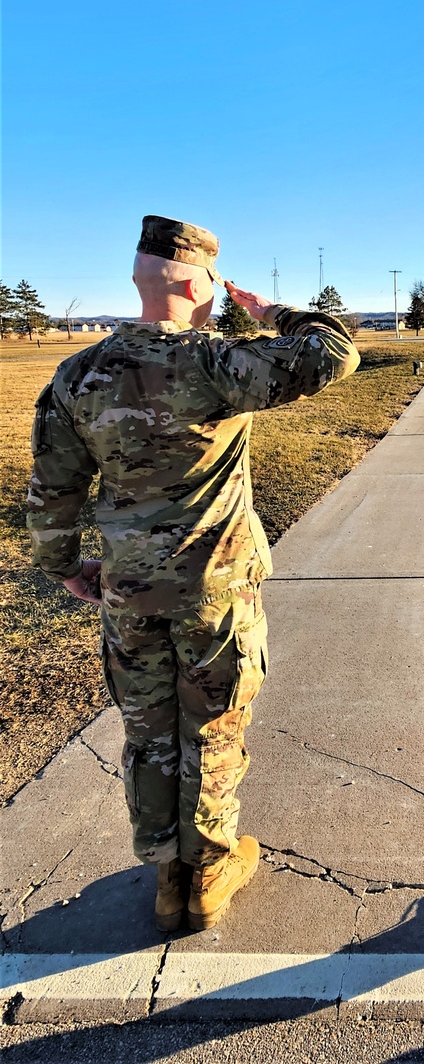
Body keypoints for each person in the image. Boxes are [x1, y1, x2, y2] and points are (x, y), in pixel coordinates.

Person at [27, 216, 361, 933]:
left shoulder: (79, 374)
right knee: (213, 721)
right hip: (214, 587)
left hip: (129, 589)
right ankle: (208, 869)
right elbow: (333, 352)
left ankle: (166, 871)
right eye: (214, 282)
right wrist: (270, 311)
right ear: (194, 282)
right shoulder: (216, 363)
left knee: (148, 725)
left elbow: (52, 489)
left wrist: (64, 568)